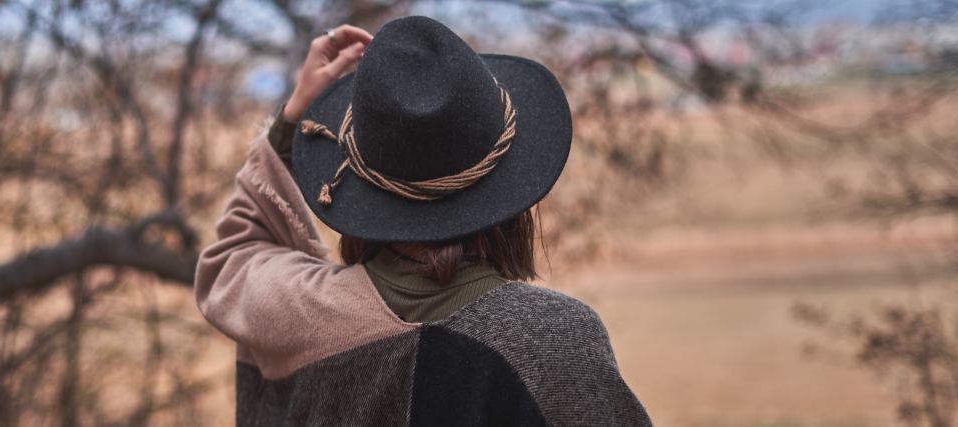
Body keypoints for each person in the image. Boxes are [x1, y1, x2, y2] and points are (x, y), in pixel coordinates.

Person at [195, 16, 651, 426]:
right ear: (511, 189)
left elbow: (236, 253)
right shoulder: (551, 339)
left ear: (358, 177)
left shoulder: (297, 314)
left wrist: (293, 121)